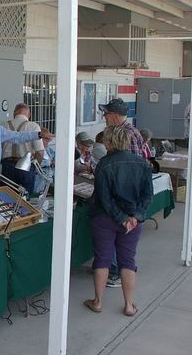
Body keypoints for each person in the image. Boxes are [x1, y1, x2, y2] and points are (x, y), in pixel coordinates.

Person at [83, 125, 153, 317]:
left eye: (105, 140)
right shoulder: (142, 163)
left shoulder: (104, 164)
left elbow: (104, 197)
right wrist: (135, 217)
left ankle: (98, 302)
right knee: (128, 261)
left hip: (105, 219)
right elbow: (148, 196)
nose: (104, 143)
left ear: (111, 142)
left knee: (102, 260)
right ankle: (129, 305)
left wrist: (121, 218)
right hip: (132, 221)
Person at [99, 98, 146, 288]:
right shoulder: (130, 131)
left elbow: (130, 169)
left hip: (123, 199)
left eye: (106, 114)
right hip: (124, 198)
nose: (104, 117)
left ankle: (116, 272)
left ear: (115, 116)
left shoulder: (128, 134)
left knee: (121, 241)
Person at [1, 103, 45, 194]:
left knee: (7, 197)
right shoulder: (33, 126)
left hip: (7, 166)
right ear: (29, 115)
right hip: (26, 166)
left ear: (14, 113)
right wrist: (35, 167)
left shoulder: (3, 126)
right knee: (25, 199)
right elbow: (40, 152)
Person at [34, 127, 55, 194]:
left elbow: (56, 157)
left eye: (48, 140)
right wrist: (50, 163)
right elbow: (35, 164)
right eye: (46, 140)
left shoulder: (48, 149)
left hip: (50, 179)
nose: (47, 142)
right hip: (39, 180)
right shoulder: (34, 150)